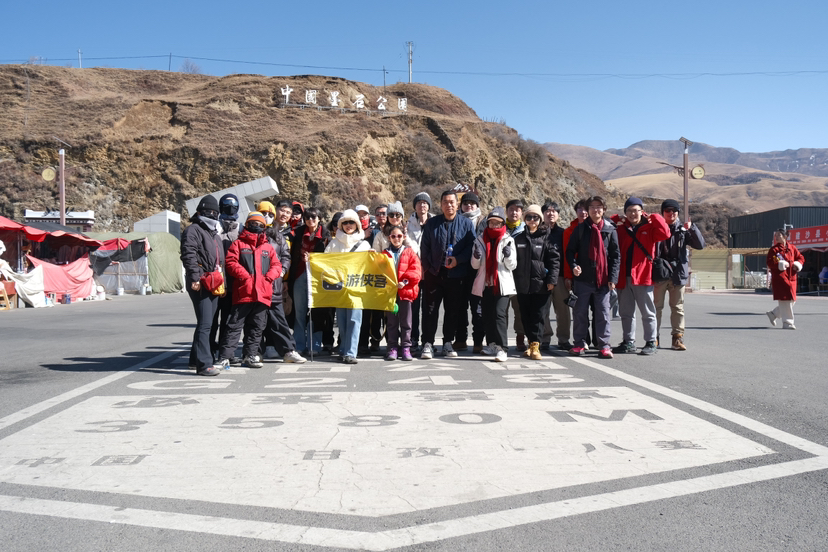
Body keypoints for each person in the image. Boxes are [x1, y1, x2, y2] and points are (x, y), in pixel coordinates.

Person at [217, 212, 280, 369]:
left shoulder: (268, 247)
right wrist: (245, 276)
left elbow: (277, 265)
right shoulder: (238, 244)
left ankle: (250, 355)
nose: (256, 226)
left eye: (260, 225)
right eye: (253, 223)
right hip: (243, 293)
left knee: (257, 327)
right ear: (247, 224)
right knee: (234, 326)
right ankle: (225, 357)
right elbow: (230, 262)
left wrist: (268, 278)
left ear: (264, 227)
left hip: (263, 294)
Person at [419, 190, 476, 359]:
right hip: (434, 274)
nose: (449, 205)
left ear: (457, 204)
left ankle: (448, 342)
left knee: (452, 310)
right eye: (445, 202)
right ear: (441, 204)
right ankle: (428, 343)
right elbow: (424, 248)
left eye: (452, 202)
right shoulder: (432, 223)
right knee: (430, 310)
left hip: (456, 275)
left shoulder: (466, 224)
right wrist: (428, 268)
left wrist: (458, 260)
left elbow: (471, 247)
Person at [611, 197, 671, 356]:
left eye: (636, 210)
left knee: (648, 312)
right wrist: (617, 218)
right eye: (629, 211)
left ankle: (651, 341)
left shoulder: (650, 228)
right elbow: (608, 224)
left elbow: (665, 233)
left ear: (642, 212)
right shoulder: (621, 228)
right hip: (624, 277)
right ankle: (628, 341)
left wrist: (655, 216)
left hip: (643, 276)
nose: (633, 214)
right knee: (626, 312)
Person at [566, 196, 620, 359]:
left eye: (599, 206)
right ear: (588, 210)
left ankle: (604, 346)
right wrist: (574, 266)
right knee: (580, 313)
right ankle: (579, 343)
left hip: (603, 280)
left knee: (603, 314)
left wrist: (613, 278)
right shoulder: (580, 229)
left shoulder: (610, 230)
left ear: (604, 209)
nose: (596, 210)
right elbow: (570, 251)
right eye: (592, 207)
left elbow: (615, 256)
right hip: (583, 279)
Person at [181, 195, 226, 376]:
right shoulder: (193, 230)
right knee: (206, 324)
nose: (212, 215)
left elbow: (220, 262)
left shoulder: (214, 234)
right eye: (208, 211)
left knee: (208, 322)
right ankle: (204, 364)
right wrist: (195, 278)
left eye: (215, 212)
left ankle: (194, 359)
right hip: (201, 281)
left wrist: (223, 285)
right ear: (199, 212)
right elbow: (188, 254)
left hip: (214, 281)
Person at [653, 199, 705, 350]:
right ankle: (653, 338)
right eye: (667, 210)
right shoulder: (655, 228)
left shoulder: (683, 230)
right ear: (662, 212)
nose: (671, 213)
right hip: (659, 273)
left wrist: (692, 228)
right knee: (656, 307)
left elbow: (700, 245)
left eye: (674, 211)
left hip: (677, 274)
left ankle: (677, 338)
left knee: (677, 308)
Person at [514, 204, 560, 360]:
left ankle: (536, 345)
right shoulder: (518, 238)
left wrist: (552, 280)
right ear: (524, 219)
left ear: (540, 219)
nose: (532, 220)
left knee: (538, 316)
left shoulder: (547, 237)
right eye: (529, 217)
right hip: (522, 285)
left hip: (541, 284)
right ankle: (530, 344)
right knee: (525, 316)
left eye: (535, 217)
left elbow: (554, 261)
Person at [324, 209, 371, 363]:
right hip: (339, 287)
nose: (348, 225)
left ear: (357, 224)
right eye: (345, 222)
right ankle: (343, 349)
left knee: (355, 320)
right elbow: (325, 262)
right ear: (340, 225)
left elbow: (370, 267)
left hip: (357, 287)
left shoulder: (364, 244)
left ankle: (351, 352)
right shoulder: (334, 243)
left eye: (352, 222)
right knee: (342, 321)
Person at [471, 207, 517, 363]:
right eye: (492, 223)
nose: (494, 226)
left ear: (503, 224)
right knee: (487, 315)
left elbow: (512, 265)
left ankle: (502, 348)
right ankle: (491, 345)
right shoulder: (479, 239)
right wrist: (476, 257)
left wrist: (508, 256)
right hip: (486, 284)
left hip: (502, 284)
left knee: (499, 314)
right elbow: (474, 265)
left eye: (497, 223)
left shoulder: (508, 239)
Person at [262, 203, 306, 364]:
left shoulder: (292, 233)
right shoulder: (263, 229)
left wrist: (285, 278)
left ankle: (285, 348)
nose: (285, 214)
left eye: (288, 212)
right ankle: (266, 347)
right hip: (261, 279)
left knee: (280, 316)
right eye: (282, 210)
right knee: (261, 315)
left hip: (281, 280)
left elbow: (289, 257)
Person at [288, 207, 330, 355]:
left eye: (313, 217)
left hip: (318, 277)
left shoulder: (326, 235)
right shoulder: (298, 233)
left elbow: (328, 257)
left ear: (319, 218)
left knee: (316, 312)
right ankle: (299, 344)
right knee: (299, 312)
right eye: (307, 218)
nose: (310, 220)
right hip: (299, 274)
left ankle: (315, 345)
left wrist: (312, 259)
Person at [383, 224, 422, 361]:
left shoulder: (410, 252)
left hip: (405, 292)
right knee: (392, 322)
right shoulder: (384, 254)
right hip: (390, 294)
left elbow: (416, 271)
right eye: (393, 236)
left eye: (399, 236)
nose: (396, 239)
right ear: (389, 238)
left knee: (406, 322)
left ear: (404, 237)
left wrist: (404, 281)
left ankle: (406, 347)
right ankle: (392, 347)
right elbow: (378, 271)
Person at [209, 193, 241, 361]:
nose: (230, 210)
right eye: (226, 206)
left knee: (229, 320)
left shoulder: (241, 229)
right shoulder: (213, 227)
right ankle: (208, 351)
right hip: (214, 282)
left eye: (233, 207)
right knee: (211, 320)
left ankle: (225, 352)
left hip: (233, 282)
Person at [540, 201, 571, 351]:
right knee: (543, 309)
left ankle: (563, 339)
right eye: (547, 211)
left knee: (563, 310)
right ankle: (545, 338)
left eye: (554, 211)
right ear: (542, 214)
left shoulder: (564, 234)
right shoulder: (537, 232)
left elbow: (568, 255)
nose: (550, 214)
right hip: (541, 277)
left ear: (558, 215)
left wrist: (568, 277)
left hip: (560, 276)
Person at [457, 191, 486, 352]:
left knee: (478, 308)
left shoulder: (484, 221)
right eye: (465, 203)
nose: (469, 206)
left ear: (477, 205)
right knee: (460, 307)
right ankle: (461, 339)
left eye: (472, 203)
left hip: (478, 272)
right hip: (460, 269)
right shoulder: (456, 220)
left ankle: (478, 341)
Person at [407, 192, 433, 351]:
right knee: (413, 308)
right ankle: (413, 338)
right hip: (413, 271)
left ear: (428, 206)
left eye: (425, 203)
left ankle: (427, 341)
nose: (422, 205)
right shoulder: (408, 224)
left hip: (430, 271)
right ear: (414, 206)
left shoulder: (435, 222)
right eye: (419, 203)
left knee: (429, 308)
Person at [766, 228, 805, 330]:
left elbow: (801, 258)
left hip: (792, 278)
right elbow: (769, 263)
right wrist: (780, 264)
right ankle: (787, 323)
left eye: (779, 235)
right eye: (776, 235)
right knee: (785, 300)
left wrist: (798, 264)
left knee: (792, 300)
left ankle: (774, 314)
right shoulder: (774, 250)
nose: (776, 237)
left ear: (785, 236)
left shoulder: (792, 248)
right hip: (780, 278)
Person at [505, 199, 527, 352]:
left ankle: (520, 337)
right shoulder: (500, 228)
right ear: (506, 211)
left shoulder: (526, 230)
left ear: (521, 213)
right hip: (503, 275)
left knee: (520, 310)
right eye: (511, 209)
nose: (514, 212)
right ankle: (501, 339)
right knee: (501, 310)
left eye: (517, 210)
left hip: (520, 277)